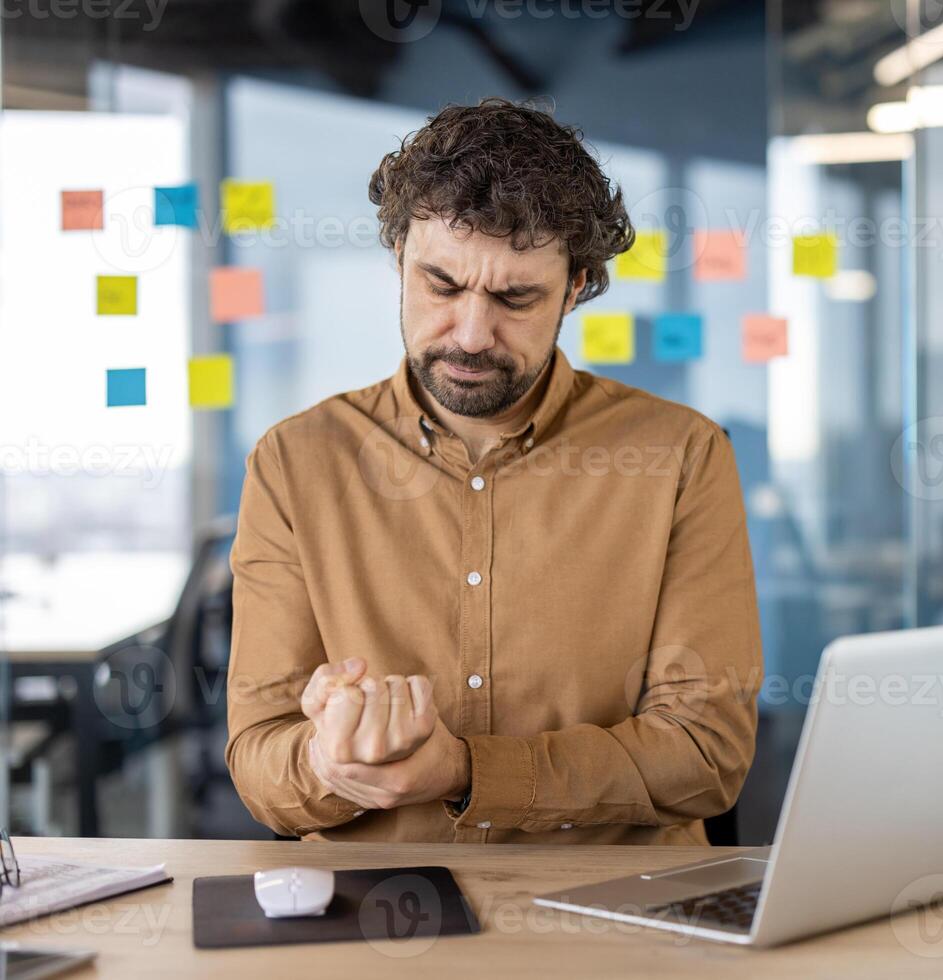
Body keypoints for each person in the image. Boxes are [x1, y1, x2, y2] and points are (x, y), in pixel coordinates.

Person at [225, 98, 762, 845]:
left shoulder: (681, 456)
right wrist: (325, 760)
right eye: (441, 286)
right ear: (399, 264)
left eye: (516, 297)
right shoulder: (295, 463)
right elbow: (259, 760)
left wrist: (466, 771)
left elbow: (707, 754)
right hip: (376, 928)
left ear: (575, 288)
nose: (471, 334)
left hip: (616, 928)